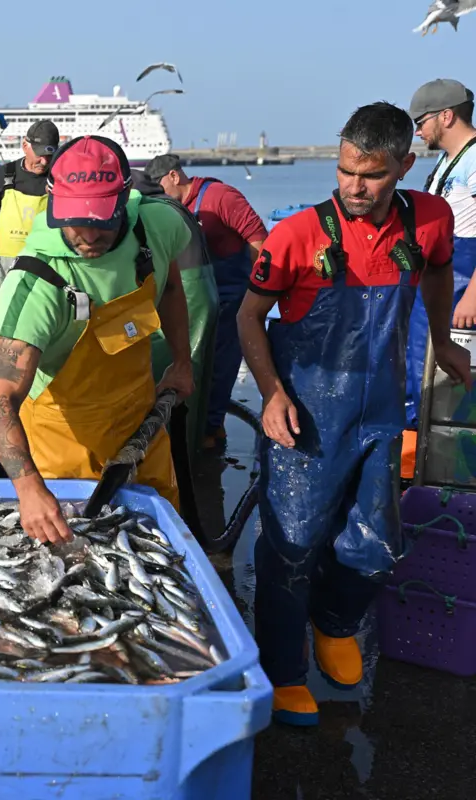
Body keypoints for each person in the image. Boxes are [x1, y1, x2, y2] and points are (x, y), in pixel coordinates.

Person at [236, 102, 470, 727]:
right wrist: (271, 393)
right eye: (345, 172)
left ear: (405, 166)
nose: (354, 188)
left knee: (376, 542)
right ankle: (282, 673)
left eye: (370, 176)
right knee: (291, 547)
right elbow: (248, 316)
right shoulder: (297, 236)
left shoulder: (431, 218)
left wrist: (442, 337)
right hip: (306, 411)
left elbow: (440, 272)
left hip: (382, 407)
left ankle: (334, 623)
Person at [0, 135, 194, 544]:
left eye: (101, 220)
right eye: (75, 220)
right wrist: (28, 488)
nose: (88, 235)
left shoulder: (158, 226)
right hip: (63, 443)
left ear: (124, 201)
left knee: (159, 551)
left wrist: (182, 362)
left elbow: (169, 290)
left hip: (141, 426)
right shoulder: (36, 284)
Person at [145, 153, 268, 449]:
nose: (157, 194)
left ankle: (211, 430)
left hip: (231, 294)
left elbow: (261, 242)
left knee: (222, 366)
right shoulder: (171, 208)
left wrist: (256, 295)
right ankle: (204, 423)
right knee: (194, 362)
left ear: (174, 176)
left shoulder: (221, 197)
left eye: (159, 185)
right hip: (194, 295)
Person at [131, 169, 220, 457]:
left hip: (184, 291)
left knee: (165, 379)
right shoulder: (175, 207)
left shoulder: (148, 213)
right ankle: (191, 452)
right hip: (204, 290)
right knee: (195, 373)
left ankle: (169, 459)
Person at [405, 79, 476, 438]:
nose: (417, 131)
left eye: (421, 121)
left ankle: (446, 456)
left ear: (446, 116)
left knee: (453, 378)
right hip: (438, 275)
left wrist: (473, 295)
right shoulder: (450, 160)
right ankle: (416, 454)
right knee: (421, 369)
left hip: (464, 281)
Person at [0, 120, 58, 292]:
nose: (44, 162)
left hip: (47, 268)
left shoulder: (60, 178)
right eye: (39, 154)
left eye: (49, 156)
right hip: (5, 268)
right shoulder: (4, 175)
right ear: (25, 145)